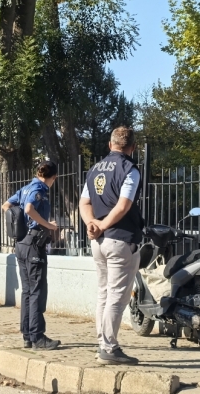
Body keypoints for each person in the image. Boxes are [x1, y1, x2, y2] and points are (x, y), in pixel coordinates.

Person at [79, 126, 143, 365]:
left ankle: (102, 343)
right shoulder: (130, 169)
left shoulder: (94, 170)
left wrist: (92, 224)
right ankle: (109, 347)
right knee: (117, 295)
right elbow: (124, 206)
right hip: (120, 238)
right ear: (133, 148)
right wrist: (104, 224)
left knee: (104, 293)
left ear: (110, 145)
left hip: (98, 241)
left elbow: (84, 202)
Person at [2, 161, 60, 351]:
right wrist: (48, 225)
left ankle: (27, 335)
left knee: (27, 291)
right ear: (53, 177)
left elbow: (6, 206)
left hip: (21, 244)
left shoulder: (25, 188)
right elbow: (28, 209)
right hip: (34, 244)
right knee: (37, 290)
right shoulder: (39, 189)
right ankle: (37, 337)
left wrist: (19, 227)